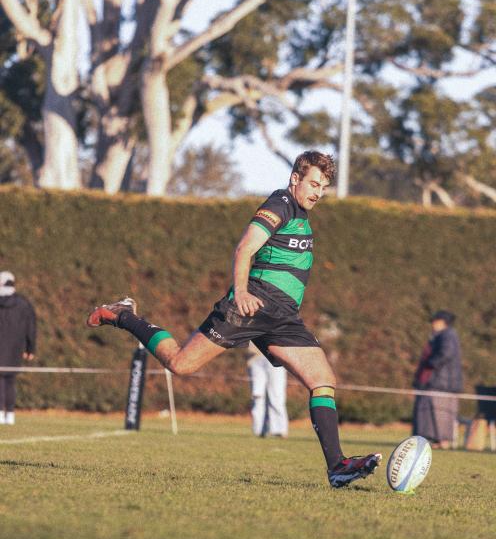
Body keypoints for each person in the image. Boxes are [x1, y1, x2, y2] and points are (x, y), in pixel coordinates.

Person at [87, 151, 381, 488]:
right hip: (252, 306)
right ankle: (124, 315)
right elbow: (245, 248)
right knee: (181, 364)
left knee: (322, 379)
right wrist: (240, 292)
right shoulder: (281, 203)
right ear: (295, 179)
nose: (318, 192)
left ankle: (337, 466)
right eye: (314, 184)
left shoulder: (301, 214)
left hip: (283, 317)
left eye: (324, 187)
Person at [413, 310, 463, 449]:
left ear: (442, 322)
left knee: (441, 413)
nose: (432, 324)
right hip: (437, 382)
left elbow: (446, 353)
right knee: (429, 413)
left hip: (442, 384)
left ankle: (443, 441)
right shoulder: (439, 336)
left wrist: (431, 363)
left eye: (435, 321)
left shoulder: (448, 335)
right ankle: (433, 441)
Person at [0, 271, 37, 425]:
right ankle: (10, 414)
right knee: (10, 380)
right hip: (16, 348)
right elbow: (31, 328)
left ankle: (1, 414)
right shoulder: (24, 303)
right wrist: (30, 349)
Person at [247, 342, 288, 438]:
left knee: (276, 395)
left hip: (276, 356)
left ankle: (279, 430)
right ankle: (259, 430)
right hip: (255, 359)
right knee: (257, 396)